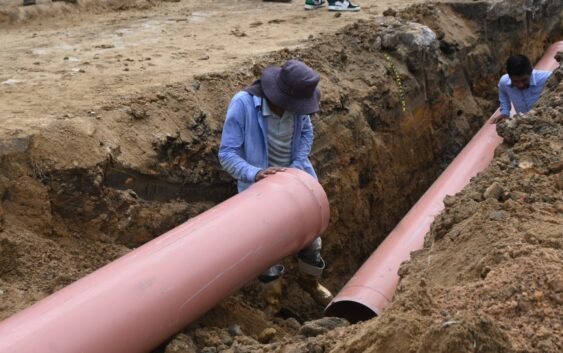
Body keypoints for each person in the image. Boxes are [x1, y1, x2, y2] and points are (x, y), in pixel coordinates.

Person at [218, 60, 333, 313]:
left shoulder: (298, 107)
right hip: (258, 193)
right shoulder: (244, 105)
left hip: (296, 182)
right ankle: (272, 303)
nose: (300, 110)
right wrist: (256, 173)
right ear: (279, 96)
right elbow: (227, 153)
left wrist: (296, 165)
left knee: (311, 239)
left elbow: (306, 133)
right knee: (267, 249)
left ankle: (310, 284)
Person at [492, 54, 552, 123]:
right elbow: (503, 93)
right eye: (515, 81)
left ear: (531, 71)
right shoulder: (504, 82)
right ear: (509, 76)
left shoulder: (547, 78)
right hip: (524, 124)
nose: (520, 85)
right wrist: (505, 112)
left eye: (524, 80)